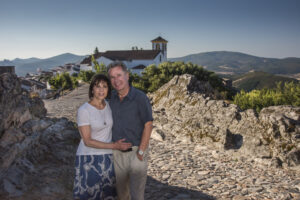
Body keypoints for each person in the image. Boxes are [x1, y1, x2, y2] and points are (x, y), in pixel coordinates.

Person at [73, 74, 132, 200]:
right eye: (97, 86)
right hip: (88, 158)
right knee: (90, 195)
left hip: (108, 158)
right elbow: (87, 141)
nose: (101, 90)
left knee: (109, 195)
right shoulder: (84, 110)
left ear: (108, 90)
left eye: (104, 86)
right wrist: (115, 145)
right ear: (92, 89)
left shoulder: (110, 106)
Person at [108, 61, 153, 200]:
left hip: (136, 152)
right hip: (117, 155)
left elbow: (148, 124)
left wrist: (141, 151)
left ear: (127, 76)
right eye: (112, 77)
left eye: (119, 75)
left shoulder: (140, 98)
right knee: (122, 195)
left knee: (137, 196)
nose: (116, 80)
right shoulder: (111, 99)